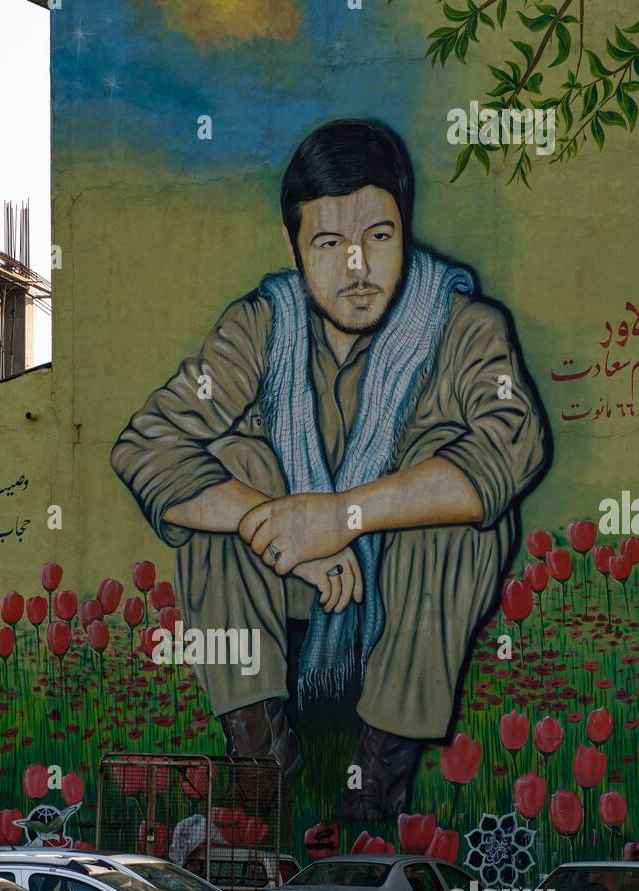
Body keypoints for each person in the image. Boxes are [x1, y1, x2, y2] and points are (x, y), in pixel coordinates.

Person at [112, 119, 548, 816]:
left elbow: (510, 446)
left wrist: (342, 517)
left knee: (460, 512)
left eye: (378, 238)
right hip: (293, 594)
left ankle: (374, 790)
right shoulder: (261, 326)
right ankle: (266, 776)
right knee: (231, 466)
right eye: (329, 244)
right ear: (293, 246)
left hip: (404, 597)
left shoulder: (465, 326)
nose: (357, 269)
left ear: (405, 229)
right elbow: (148, 443)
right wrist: (276, 526)